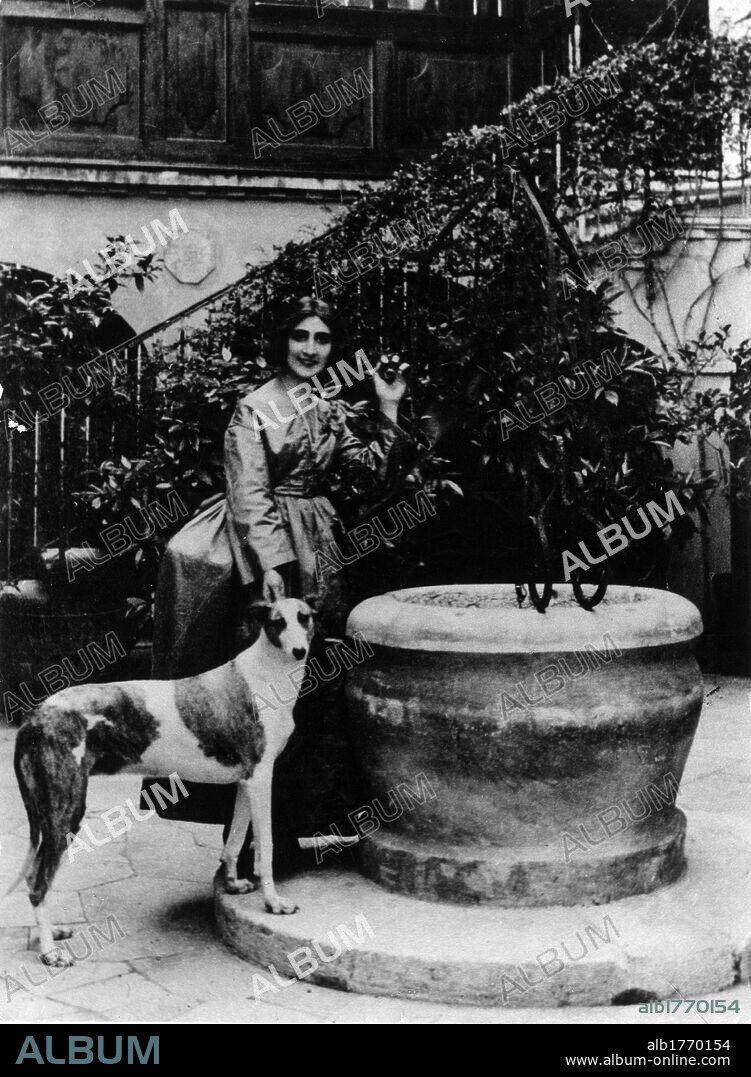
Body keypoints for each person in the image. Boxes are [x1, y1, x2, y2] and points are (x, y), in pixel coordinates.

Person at [141, 296, 409, 868]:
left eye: (322, 339)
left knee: (313, 691)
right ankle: (244, 851)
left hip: (321, 547)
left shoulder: (329, 405)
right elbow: (249, 493)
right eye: (300, 337)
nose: (311, 349)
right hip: (266, 553)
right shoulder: (255, 407)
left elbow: (368, 473)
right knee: (259, 698)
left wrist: (387, 409)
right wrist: (271, 566)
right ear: (283, 342)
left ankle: (294, 829)